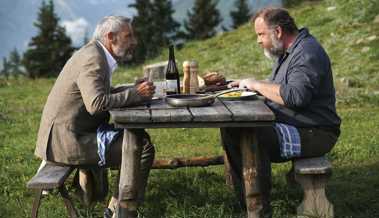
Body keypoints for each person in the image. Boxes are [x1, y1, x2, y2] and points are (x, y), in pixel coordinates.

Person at [223, 7, 341, 217]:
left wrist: (257, 85)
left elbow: (295, 97)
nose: (258, 41)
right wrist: (246, 85)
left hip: (317, 132)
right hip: (301, 126)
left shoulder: (306, 53)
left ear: (277, 32)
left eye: (261, 34)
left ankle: (259, 208)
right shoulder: (289, 52)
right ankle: (244, 200)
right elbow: (280, 88)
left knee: (253, 133)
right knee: (232, 127)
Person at [34, 16, 156, 218]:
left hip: (67, 134)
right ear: (111, 37)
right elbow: (96, 103)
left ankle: (115, 206)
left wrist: (134, 89)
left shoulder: (93, 52)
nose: (134, 41)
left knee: (137, 137)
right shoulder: (94, 59)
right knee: (141, 147)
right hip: (66, 142)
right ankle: (122, 210)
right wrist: (136, 94)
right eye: (128, 36)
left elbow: (100, 93)